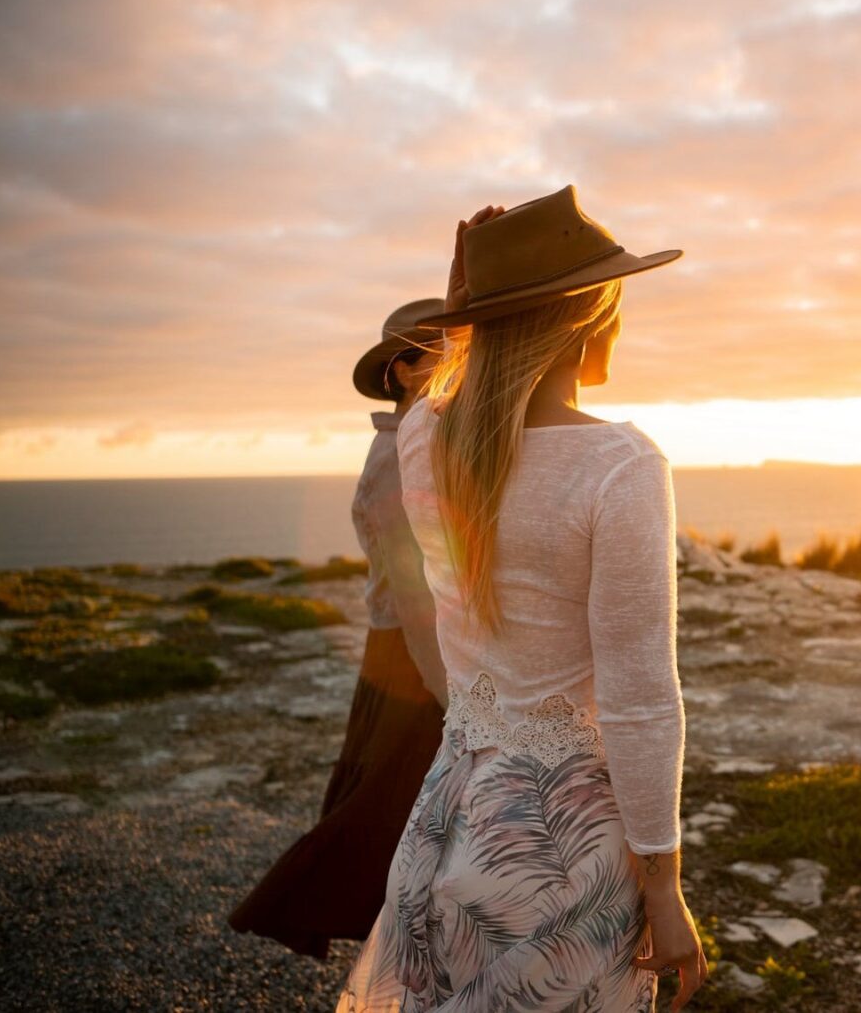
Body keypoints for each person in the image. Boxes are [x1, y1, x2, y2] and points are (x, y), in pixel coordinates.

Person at [336, 187, 705, 1012]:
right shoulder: (620, 465)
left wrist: (465, 308)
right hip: (560, 847)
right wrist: (664, 885)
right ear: (588, 315)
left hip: (447, 823)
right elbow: (641, 696)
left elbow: (439, 396)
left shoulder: (428, 442)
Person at [229, 298, 451, 960]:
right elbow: (414, 593)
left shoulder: (418, 441)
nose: (466, 368)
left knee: (404, 804)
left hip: (412, 646)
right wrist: (449, 690)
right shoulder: (402, 454)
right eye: (447, 355)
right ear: (405, 370)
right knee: (393, 806)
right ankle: (308, 908)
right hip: (414, 652)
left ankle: (420, 946)